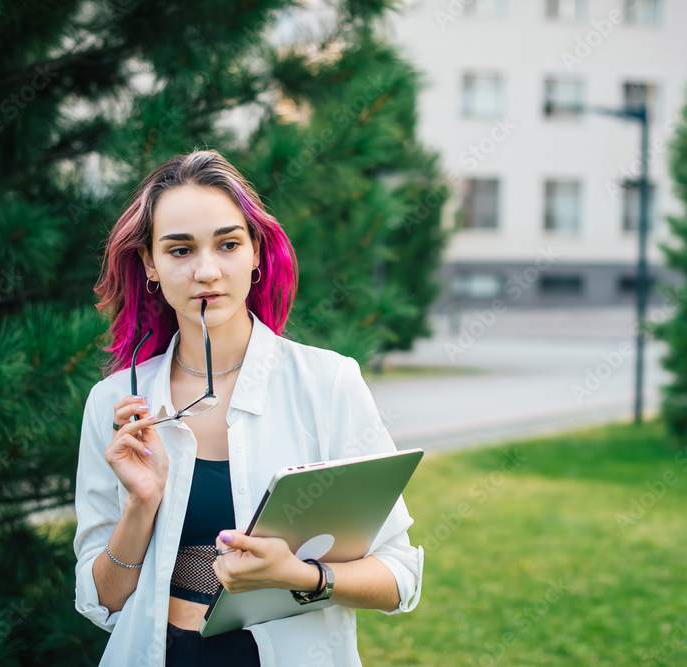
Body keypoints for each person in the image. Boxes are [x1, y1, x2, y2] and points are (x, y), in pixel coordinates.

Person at [72, 149, 424, 667]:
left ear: (256, 251)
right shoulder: (116, 404)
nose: (206, 271)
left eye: (228, 244)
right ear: (149, 263)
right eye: (180, 250)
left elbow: (400, 577)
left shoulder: (325, 383)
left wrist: (300, 576)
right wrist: (141, 505)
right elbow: (100, 602)